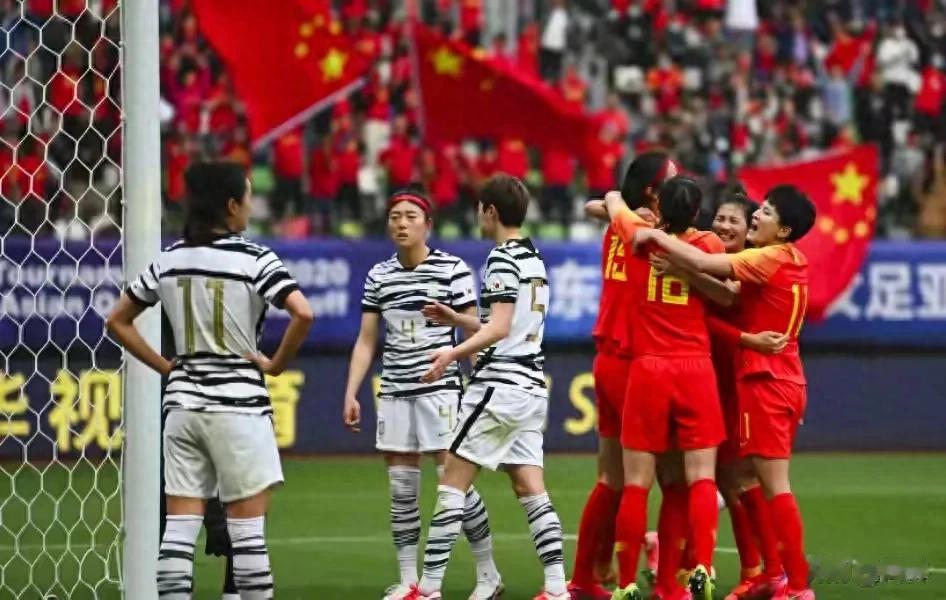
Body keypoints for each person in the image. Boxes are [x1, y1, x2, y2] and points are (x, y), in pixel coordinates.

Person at [107, 161, 314, 600]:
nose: (252, 206)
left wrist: (167, 367)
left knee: (178, 532)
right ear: (232, 206)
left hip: (182, 407)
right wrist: (276, 364)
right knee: (247, 533)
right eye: (248, 197)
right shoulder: (255, 258)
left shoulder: (169, 259)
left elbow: (117, 320)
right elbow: (303, 312)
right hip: (238, 407)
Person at [634, 185, 817, 600]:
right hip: (775, 378)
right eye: (724, 217)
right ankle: (769, 574)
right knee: (740, 480)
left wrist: (655, 235)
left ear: (784, 229)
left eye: (762, 212)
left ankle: (793, 584)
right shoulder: (788, 258)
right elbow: (722, 287)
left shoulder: (764, 258)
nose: (753, 218)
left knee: (768, 485)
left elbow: (704, 266)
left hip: (764, 380)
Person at [406, 174, 568, 600]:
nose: (478, 215)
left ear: (491, 212)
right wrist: (459, 319)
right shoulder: (533, 257)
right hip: (531, 387)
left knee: (451, 483)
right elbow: (507, 322)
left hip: (499, 386)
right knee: (530, 488)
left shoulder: (501, 258)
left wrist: (450, 353)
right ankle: (556, 588)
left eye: (480, 208)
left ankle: (428, 588)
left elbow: (498, 329)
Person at [342, 190, 503, 600]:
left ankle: (488, 573)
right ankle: (408, 580)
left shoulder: (452, 269)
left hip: (441, 389)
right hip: (395, 391)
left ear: (427, 224)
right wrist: (352, 391)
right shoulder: (379, 275)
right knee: (401, 489)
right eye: (394, 216)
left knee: (454, 484)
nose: (401, 223)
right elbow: (366, 339)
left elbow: (476, 329)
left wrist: (479, 379)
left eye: (410, 216)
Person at [604, 177, 729, 600]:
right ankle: (703, 567)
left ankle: (625, 583)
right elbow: (728, 295)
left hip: (648, 368)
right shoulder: (708, 246)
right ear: (696, 212)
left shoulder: (639, 238)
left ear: (659, 208)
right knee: (700, 477)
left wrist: (626, 206)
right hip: (695, 368)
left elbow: (613, 202)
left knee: (637, 484)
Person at [567, 151, 676, 600]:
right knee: (656, 480)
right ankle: (656, 577)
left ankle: (585, 577)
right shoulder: (648, 231)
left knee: (610, 479)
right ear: (653, 190)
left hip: (608, 358)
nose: (679, 181)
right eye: (672, 177)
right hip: (636, 362)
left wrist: (613, 201)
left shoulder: (620, 221)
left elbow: (597, 204)